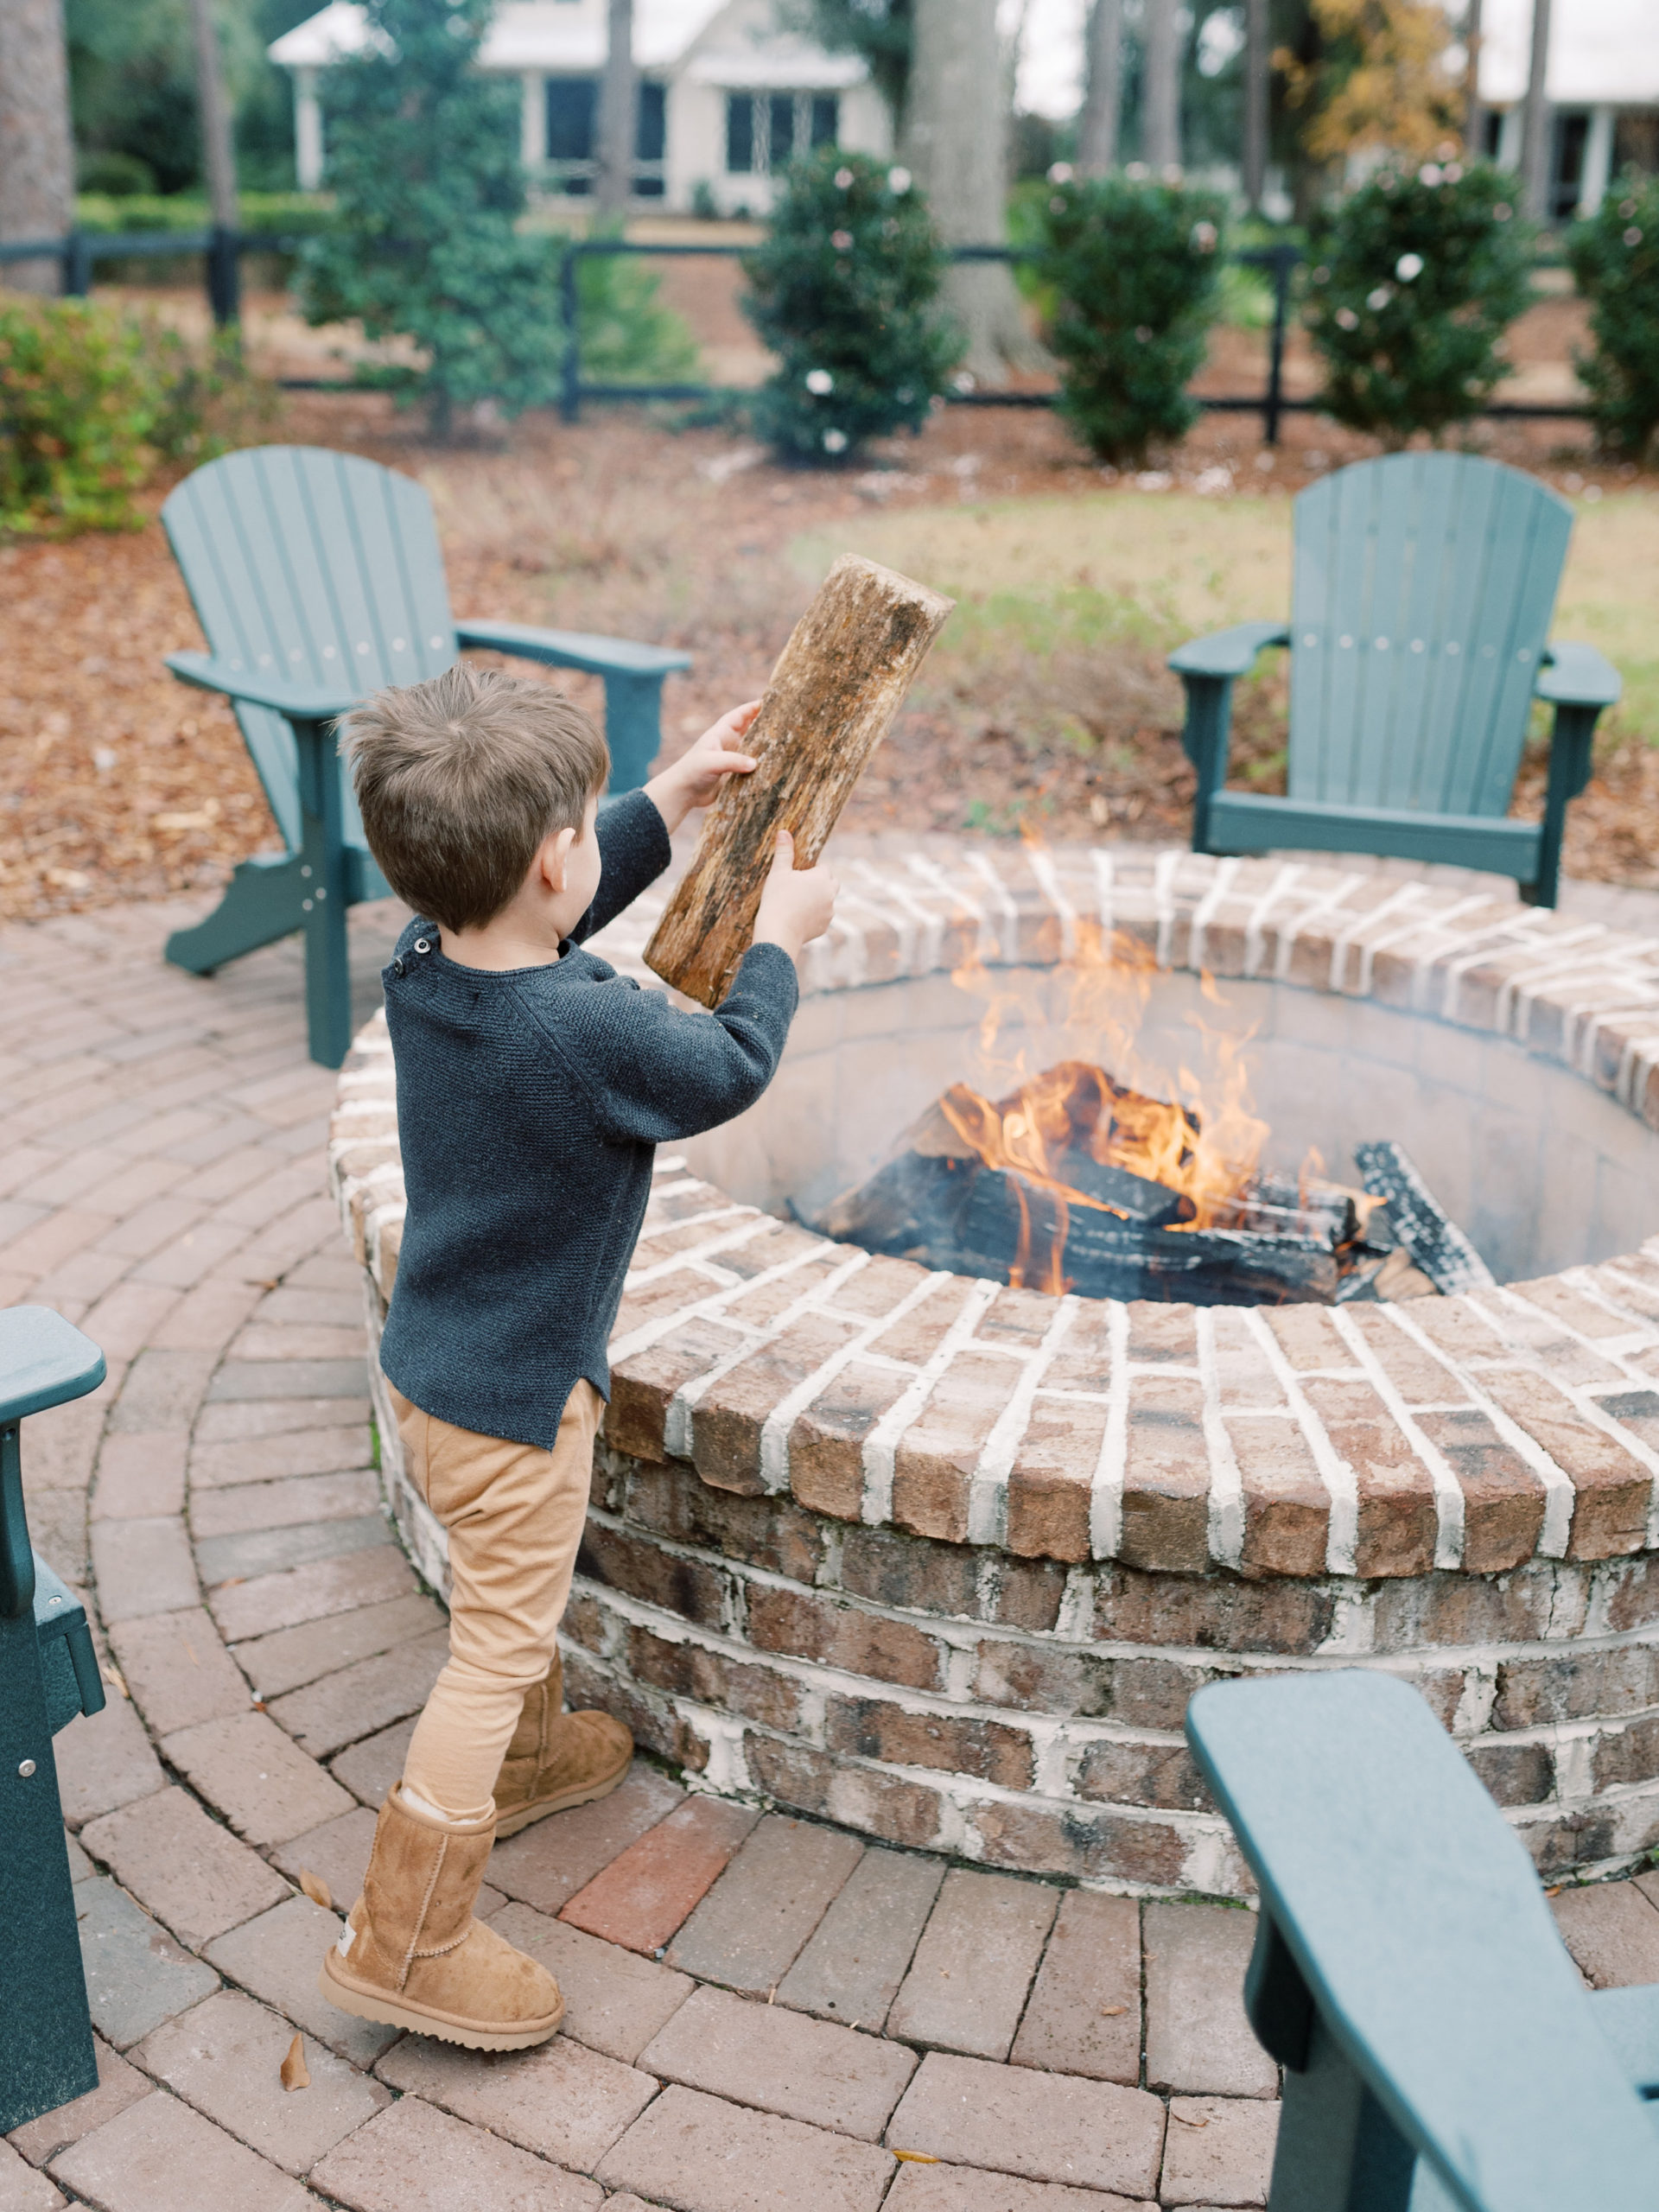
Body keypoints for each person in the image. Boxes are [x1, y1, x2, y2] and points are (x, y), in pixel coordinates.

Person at [317, 662, 836, 2050]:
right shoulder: (585, 1027)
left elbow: (545, 912)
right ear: (557, 859)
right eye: (595, 829)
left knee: (508, 1599)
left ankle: (538, 1753)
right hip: (519, 1407)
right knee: (493, 1644)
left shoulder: (432, 967)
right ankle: (409, 1938)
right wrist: (782, 940)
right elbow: (725, 1066)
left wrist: (670, 795)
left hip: (438, 1364)